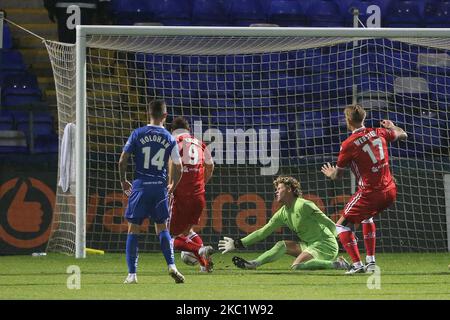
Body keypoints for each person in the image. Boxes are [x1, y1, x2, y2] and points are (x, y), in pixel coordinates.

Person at [321, 104, 408, 274]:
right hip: (390, 190)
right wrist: (392, 127)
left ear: (348, 121)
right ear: (364, 118)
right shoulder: (378, 132)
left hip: (370, 193)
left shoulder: (348, 144)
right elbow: (403, 134)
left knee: (340, 226)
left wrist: (330, 173)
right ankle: (371, 262)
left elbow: (337, 176)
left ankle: (357, 265)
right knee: (366, 218)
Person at [218, 176, 350, 272]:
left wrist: (340, 238)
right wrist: (237, 243)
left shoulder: (304, 205)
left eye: (279, 188)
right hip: (309, 245)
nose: (276, 191)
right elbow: (262, 232)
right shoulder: (282, 213)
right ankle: (253, 264)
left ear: (289, 189)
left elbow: (329, 223)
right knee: (282, 245)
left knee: (296, 266)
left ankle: (337, 265)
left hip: (326, 245)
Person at [118, 100, 185, 284]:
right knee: (162, 227)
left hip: (139, 186)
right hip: (159, 187)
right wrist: (173, 185)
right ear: (165, 115)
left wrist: (123, 181)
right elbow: (178, 166)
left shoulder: (137, 133)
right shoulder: (169, 138)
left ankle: (132, 274)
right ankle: (171, 265)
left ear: (148, 114)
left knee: (133, 229)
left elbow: (122, 160)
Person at [169, 117, 215, 272]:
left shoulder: (174, 141)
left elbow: (174, 164)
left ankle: (198, 250)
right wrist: (202, 183)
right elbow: (211, 165)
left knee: (168, 236)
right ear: (188, 129)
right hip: (199, 196)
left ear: (172, 130)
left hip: (181, 195)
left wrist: (171, 186)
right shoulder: (198, 142)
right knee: (187, 231)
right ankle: (205, 265)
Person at [44, 0, 111, 43]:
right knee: (84, 45)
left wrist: (50, 8)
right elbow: (104, 3)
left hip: (64, 8)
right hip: (87, 8)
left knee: (66, 47)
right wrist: (102, 13)